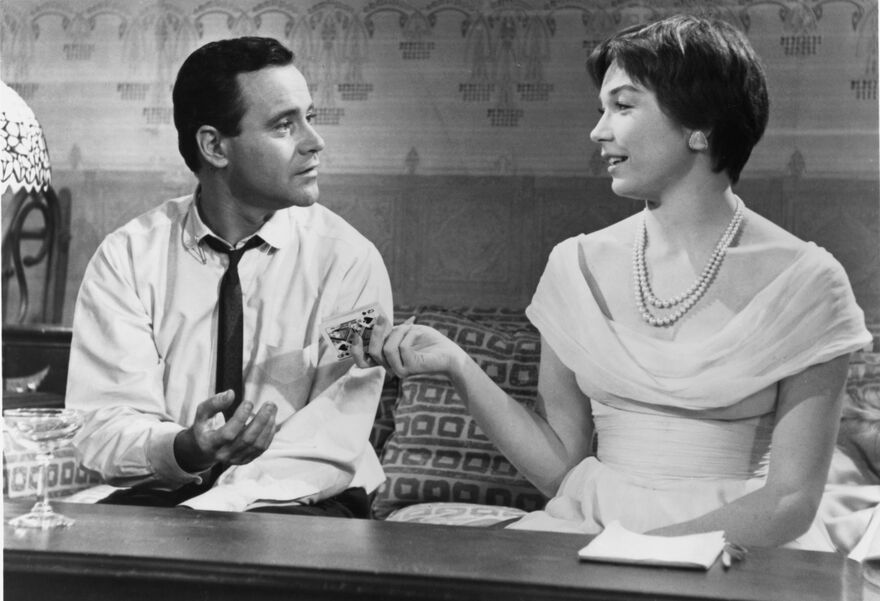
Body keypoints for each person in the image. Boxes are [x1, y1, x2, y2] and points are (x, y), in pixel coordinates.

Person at [352, 15, 872, 549]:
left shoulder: (809, 282)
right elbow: (561, 468)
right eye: (603, 108)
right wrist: (457, 366)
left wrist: (637, 555)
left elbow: (789, 502)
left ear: (702, 125)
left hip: (737, 543)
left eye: (623, 106)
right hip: (591, 531)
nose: (598, 130)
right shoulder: (575, 265)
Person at [67, 36, 392, 518]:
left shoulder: (348, 262)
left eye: (310, 117)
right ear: (214, 146)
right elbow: (102, 425)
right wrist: (185, 449)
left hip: (300, 499)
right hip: (169, 495)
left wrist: (216, 507)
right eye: (285, 125)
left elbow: (330, 435)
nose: (314, 141)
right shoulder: (128, 259)